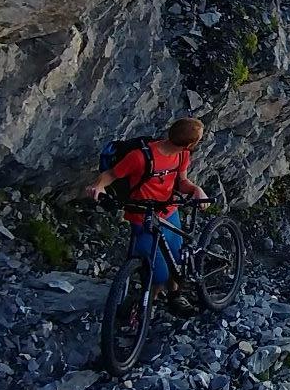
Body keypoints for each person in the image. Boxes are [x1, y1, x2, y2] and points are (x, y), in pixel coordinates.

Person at [85, 118, 210, 293]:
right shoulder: (140, 157)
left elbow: (182, 181)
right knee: (158, 273)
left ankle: (174, 295)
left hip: (169, 213)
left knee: (177, 261)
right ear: (189, 144)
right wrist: (98, 186)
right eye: (199, 140)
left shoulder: (182, 155)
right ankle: (150, 299)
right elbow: (112, 174)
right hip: (142, 218)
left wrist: (196, 189)